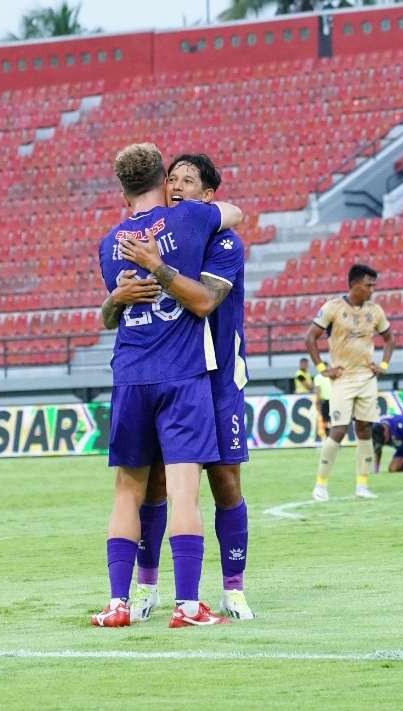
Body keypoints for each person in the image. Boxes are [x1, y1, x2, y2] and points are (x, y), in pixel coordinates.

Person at [93, 143, 242, 628]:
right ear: (162, 179)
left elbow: (115, 310)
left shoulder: (108, 241)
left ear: (121, 190)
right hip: (182, 375)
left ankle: (117, 604)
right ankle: (189, 605)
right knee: (183, 491)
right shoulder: (192, 220)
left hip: (129, 375)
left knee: (126, 491)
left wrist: (114, 299)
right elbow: (234, 213)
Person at [305, 264, 395, 502]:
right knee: (339, 430)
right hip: (343, 378)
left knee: (365, 429)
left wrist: (383, 365)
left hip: (367, 378)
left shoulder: (375, 311)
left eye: (373, 285)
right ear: (355, 285)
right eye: (369, 285)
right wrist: (324, 369)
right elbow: (310, 338)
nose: (372, 290)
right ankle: (321, 485)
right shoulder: (333, 308)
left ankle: (362, 485)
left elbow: (389, 339)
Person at [313, 366, 332, 439]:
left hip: (325, 401)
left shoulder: (317, 377)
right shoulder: (332, 376)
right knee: (333, 421)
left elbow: (318, 390)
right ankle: (334, 439)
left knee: (326, 421)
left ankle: (328, 439)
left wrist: (317, 401)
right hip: (333, 400)